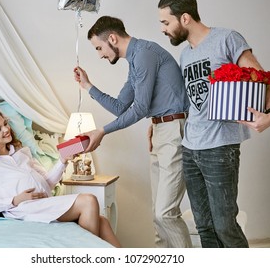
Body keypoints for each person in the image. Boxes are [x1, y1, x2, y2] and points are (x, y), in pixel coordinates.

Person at [158, 0, 270, 247]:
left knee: (225, 225)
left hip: (220, 148)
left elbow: (262, 78)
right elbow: (190, 100)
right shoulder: (185, 55)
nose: (163, 29)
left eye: (166, 22)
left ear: (185, 18)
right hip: (190, 148)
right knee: (204, 226)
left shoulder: (226, 38)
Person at [73, 16, 192, 248]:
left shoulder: (146, 53)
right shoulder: (135, 61)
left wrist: (102, 131)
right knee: (158, 216)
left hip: (172, 131)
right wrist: (88, 86)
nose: (100, 54)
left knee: (166, 214)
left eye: (99, 48)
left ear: (112, 38)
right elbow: (120, 107)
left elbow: (140, 108)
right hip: (159, 131)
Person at [0, 108, 120, 247]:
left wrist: (63, 160)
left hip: (43, 203)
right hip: (22, 209)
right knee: (88, 201)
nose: (6, 129)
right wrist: (14, 200)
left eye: (5, 124)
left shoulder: (22, 152)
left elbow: (48, 183)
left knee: (103, 222)